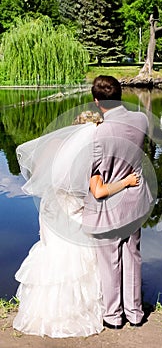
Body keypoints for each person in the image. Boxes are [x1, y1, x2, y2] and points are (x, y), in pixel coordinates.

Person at [13, 116, 140, 338]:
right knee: (77, 258)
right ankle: (76, 311)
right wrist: (126, 182)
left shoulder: (57, 146)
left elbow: (41, 174)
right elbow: (99, 191)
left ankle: (43, 311)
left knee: (53, 255)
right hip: (73, 214)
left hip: (51, 211)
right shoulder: (90, 156)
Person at [82, 75, 153, 329]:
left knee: (110, 259)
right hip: (135, 200)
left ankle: (113, 316)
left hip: (111, 204)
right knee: (132, 255)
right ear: (121, 95)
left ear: (97, 102)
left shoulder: (100, 133)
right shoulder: (142, 119)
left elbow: (91, 170)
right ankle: (135, 313)